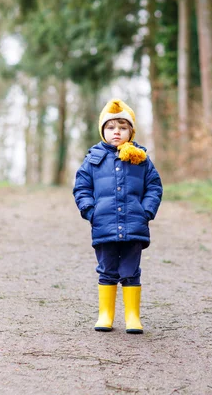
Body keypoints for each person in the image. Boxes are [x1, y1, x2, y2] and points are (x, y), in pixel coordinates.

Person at [73, 99, 162, 334]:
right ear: (103, 131)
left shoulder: (140, 159)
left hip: (134, 224)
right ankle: (106, 314)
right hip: (104, 225)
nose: (117, 132)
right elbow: (82, 187)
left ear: (131, 131)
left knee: (131, 270)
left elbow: (154, 186)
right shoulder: (94, 159)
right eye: (111, 127)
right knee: (107, 269)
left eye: (122, 128)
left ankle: (132, 316)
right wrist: (90, 210)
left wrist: (146, 211)